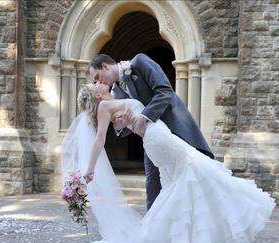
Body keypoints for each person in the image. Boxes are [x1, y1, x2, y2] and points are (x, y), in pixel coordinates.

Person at [60, 82, 276, 243]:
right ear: (97, 95)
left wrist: (124, 122)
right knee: (194, 174)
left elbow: (127, 120)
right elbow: (99, 138)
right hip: (157, 138)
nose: (98, 81)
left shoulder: (115, 98)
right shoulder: (105, 105)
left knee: (180, 188)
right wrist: (89, 169)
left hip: (157, 136)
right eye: (95, 83)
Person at [88, 53, 214, 210]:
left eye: (98, 76)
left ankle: (205, 212)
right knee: (152, 184)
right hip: (152, 139)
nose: (99, 81)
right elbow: (122, 126)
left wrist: (144, 116)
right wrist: (122, 124)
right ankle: (154, 229)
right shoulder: (116, 92)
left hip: (174, 127)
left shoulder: (139, 62)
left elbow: (165, 91)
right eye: (96, 81)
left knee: (194, 173)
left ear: (105, 66)